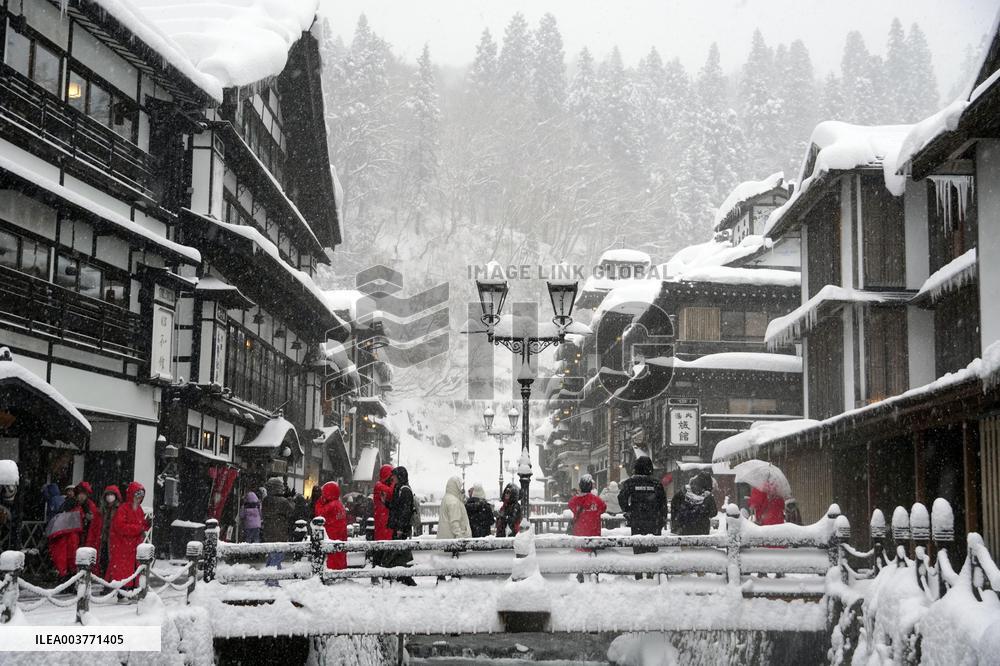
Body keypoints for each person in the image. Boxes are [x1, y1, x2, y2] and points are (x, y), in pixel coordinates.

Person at [618, 456, 668, 578]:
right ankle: (651, 575)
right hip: (654, 521)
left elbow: (621, 497)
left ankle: (639, 575)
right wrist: (662, 520)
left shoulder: (631, 482)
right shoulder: (656, 483)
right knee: (652, 551)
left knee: (638, 550)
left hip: (637, 521)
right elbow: (663, 504)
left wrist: (628, 510)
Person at [105, 482, 151, 588]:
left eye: (141, 496)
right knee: (123, 570)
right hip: (122, 545)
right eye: (137, 495)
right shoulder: (123, 508)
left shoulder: (139, 509)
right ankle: (122, 588)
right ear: (131, 495)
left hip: (133, 546)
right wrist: (139, 528)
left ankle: (129, 587)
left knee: (130, 569)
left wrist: (146, 524)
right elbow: (120, 527)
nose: (139, 498)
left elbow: (139, 524)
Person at [385, 466, 416, 586]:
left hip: (401, 527)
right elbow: (397, 507)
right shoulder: (399, 488)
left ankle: (405, 577)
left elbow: (405, 511)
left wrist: (400, 528)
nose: (392, 478)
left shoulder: (404, 490)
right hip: (399, 526)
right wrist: (385, 502)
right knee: (400, 551)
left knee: (399, 551)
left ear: (399, 476)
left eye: (394, 476)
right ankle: (403, 576)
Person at [261, 477, 293, 585]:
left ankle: (268, 578)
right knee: (278, 555)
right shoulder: (283, 501)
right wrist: (290, 500)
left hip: (268, 531)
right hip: (280, 531)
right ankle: (272, 580)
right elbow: (291, 512)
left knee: (271, 555)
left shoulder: (266, 500)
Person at [46, 489, 83, 579]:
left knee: (63, 555)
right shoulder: (77, 507)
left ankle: (64, 574)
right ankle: (69, 574)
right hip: (70, 535)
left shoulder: (64, 505)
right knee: (70, 555)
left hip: (64, 535)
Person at [315, 481, 348, 570]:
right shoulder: (339, 504)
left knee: (332, 559)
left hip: (332, 535)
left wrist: (319, 502)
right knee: (339, 556)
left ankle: (333, 573)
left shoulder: (331, 506)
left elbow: (319, 514)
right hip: (340, 536)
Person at [94, 485, 121, 578]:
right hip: (103, 539)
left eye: (112, 494)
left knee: (112, 561)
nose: (109, 497)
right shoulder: (102, 509)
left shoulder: (119, 509)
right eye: (108, 494)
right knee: (103, 560)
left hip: (114, 540)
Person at [372, 464, 395, 566]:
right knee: (382, 547)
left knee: (384, 547)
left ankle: (380, 567)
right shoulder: (380, 486)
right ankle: (378, 569)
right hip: (383, 522)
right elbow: (391, 493)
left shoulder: (381, 485)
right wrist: (394, 483)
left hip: (384, 520)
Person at [75, 482, 101, 552]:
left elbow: (94, 525)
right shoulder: (74, 505)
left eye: (83, 494)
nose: (81, 496)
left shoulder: (91, 506)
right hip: (77, 536)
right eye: (80, 493)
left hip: (85, 537)